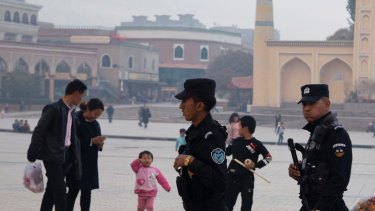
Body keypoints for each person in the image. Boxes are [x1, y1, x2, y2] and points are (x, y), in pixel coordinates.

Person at [288, 84, 352, 211]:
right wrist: (299, 169)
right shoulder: (317, 131)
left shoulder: (336, 134)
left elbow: (339, 178)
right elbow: (320, 166)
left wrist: (321, 208)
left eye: (312, 104)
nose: (306, 109)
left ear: (327, 103)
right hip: (310, 204)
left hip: (329, 206)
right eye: (304, 104)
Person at [27, 79, 87, 211]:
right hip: (52, 155)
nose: (82, 99)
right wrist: (32, 153)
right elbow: (39, 130)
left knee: (51, 191)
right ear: (76, 93)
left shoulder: (70, 111)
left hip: (64, 156)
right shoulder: (53, 108)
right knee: (60, 192)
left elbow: (70, 137)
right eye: (82, 96)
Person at [173, 78, 228, 211]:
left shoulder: (212, 136)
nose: (181, 106)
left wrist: (190, 161)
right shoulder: (195, 132)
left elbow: (220, 182)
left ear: (199, 106)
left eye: (185, 101)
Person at [225, 115, 272, 211]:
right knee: (227, 204)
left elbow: (268, 158)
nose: (238, 128)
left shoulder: (256, 144)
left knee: (246, 206)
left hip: (247, 179)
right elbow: (226, 152)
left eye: (240, 126)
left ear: (245, 128)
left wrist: (256, 165)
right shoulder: (236, 141)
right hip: (232, 177)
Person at [67, 98, 105, 211]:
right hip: (76, 162)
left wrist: (100, 144)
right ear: (88, 109)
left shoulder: (96, 124)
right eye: (95, 113)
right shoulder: (75, 120)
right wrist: (91, 141)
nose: (96, 117)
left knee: (87, 192)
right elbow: (72, 142)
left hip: (90, 163)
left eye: (99, 115)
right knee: (73, 192)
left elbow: (97, 140)